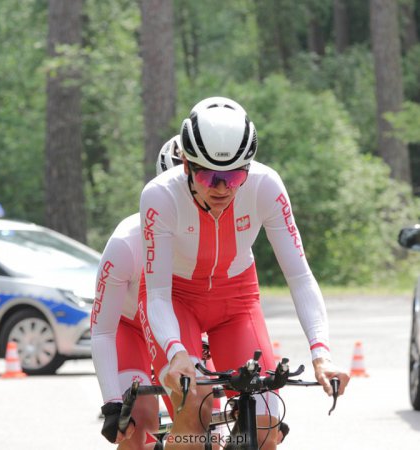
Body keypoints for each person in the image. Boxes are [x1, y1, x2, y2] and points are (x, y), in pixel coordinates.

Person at [139, 97, 350, 450]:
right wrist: (176, 352)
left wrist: (321, 354)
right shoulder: (160, 195)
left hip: (236, 301)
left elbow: (299, 276)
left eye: (235, 175)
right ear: (187, 164)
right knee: (195, 410)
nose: (222, 187)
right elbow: (157, 294)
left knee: (267, 424)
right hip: (176, 300)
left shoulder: (266, 185)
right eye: (209, 176)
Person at [91, 136, 183, 449]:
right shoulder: (125, 244)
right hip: (129, 329)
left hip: (180, 331)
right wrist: (111, 404)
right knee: (141, 420)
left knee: (204, 418)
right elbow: (102, 330)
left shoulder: (211, 236)